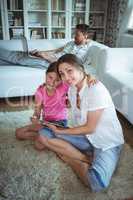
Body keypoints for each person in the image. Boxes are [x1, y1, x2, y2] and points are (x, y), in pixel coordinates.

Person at [34, 54, 124, 192]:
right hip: (86, 138)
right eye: (62, 74)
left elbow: (90, 128)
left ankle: (71, 159)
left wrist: (61, 131)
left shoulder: (96, 89)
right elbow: (52, 84)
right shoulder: (71, 88)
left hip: (106, 142)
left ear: (80, 68)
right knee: (43, 135)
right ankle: (84, 156)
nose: (66, 77)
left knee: (97, 184)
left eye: (69, 71)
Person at [15, 61, 96, 150]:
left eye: (57, 80)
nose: (52, 82)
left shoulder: (64, 86)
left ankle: (47, 138)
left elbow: (80, 78)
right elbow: (37, 111)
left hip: (60, 123)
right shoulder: (40, 91)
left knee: (39, 146)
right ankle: (46, 138)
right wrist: (35, 117)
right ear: (46, 74)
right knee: (19, 133)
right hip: (46, 123)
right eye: (50, 77)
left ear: (61, 80)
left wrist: (90, 77)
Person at [0, 24, 95, 68]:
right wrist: (42, 53)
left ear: (85, 36)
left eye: (77, 35)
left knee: (20, 58)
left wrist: (45, 56)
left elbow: (66, 64)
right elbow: (55, 51)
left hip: (53, 64)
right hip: (50, 58)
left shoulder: (84, 50)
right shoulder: (71, 43)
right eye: (74, 34)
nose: (74, 37)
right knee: (21, 55)